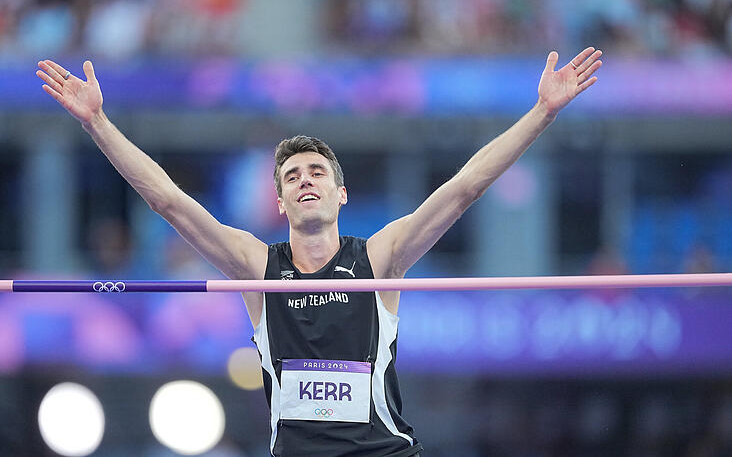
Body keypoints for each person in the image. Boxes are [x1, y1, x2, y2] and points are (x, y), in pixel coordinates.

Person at [36, 47, 603, 456]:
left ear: (340, 192)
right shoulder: (257, 269)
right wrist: (98, 124)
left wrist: (543, 113)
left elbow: (465, 188)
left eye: (316, 172)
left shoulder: (380, 260)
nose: (305, 180)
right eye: (292, 176)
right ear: (280, 200)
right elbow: (170, 202)